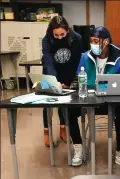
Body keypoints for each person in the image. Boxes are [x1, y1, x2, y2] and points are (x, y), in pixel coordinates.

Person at [68, 26, 120, 168]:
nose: (93, 45)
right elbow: (79, 77)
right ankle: (79, 149)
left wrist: (118, 80)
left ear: (106, 42)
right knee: (70, 111)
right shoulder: (85, 57)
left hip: (109, 103)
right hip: (89, 101)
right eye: (91, 41)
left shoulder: (118, 59)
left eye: (96, 41)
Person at [41, 15, 83, 147]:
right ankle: (46, 131)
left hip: (68, 72)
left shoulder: (77, 38)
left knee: (65, 102)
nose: (59, 37)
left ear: (68, 30)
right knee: (47, 102)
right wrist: (54, 81)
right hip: (50, 73)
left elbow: (75, 61)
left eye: (62, 34)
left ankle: (63, 129)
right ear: (51, 32)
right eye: (56, 35)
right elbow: (48, 61)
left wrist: (68, 81)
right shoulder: (46, 40)